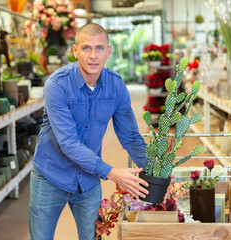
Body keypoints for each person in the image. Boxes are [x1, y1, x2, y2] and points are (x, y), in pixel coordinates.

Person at [29, 23, 149, 240]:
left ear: (109, 51)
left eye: (100, 48)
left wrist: (156, 170)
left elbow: (131, 137)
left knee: (92, 237)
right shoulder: (57, 85)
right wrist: (111, 172)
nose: (93, 56)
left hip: (88, 180)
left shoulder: (116, 86)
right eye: (86, 48)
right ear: (75, 51)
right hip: (50, 175)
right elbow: (69, 144)